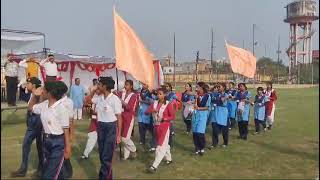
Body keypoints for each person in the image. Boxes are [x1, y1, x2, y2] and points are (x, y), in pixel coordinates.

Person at [28, 80, 71, 179]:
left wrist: (68, 148)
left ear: (50, 93)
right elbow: (30, 108)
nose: (42, 91)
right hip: (46, 141)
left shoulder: (62, 108)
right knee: (56, 172)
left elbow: (66, 130)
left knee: (48, 175)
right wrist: (35, 95)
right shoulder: (44, 105)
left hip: (58, 144)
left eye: (44, 89)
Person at [89, 76, 122, 180]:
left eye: (99, 84)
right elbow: (87, 101)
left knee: (106, 157)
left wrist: (119, 134)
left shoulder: (114, 99)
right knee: (102, 155)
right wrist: (93, 91)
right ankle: (107, 177)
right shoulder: (100, 98)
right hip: (101, 127)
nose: (97, 86)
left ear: (105, 86)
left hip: (110, 128)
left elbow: (119, 117)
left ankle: (104, 177)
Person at [11, 77, 44, 178]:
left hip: (37, 121)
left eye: (28, 83)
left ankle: (40, 170)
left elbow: (34, 107)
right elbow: (22, 95)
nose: (26, 85)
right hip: (32, 122)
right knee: (29, 146)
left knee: (39, 147)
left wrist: (36, 94)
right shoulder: (32, 93)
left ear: (33, 85)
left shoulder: (40, 93)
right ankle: (24, 169)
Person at [145, 87, 174, 173]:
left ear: (165, 95)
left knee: (159, 147)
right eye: (157, 94)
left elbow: (172, 116)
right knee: (165, 145)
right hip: (156, 127)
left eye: (160, 94)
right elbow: (146, 112)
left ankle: (154, 166)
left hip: (165, 127)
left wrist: (164, 119)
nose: (158, 95)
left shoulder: (168, 104)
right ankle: (169, 158)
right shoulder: (154, 103)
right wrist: (152, 111)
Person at [118, 80, 138, 160]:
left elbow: (129, 107)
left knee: (125, 138)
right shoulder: (122, 93)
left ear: (131, 86)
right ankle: (126, 156)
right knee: (123, 137)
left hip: (129, 117)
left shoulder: (134, 95)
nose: (125, 86)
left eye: (127, 85)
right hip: (121, 117)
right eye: (125, 85)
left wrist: (121, 101)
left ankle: (134, 149)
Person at [192, 82, 211, 155]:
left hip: (202, 116)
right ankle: (196, 148)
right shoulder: (197, 96)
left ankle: (202, 147)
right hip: (195, 115)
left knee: (200, 133)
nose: (196, 88)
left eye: (198, 87)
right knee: (195, 133)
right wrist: (194, 101)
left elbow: (207, 107)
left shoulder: (207, 96)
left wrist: (199, 108)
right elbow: (194, 105)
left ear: (202, 88)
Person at [81, 88, 100, 159]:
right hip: (95, 121)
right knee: (92, 137)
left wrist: (94, 113)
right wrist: (93, 91)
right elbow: (87, 101)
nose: (97, 90)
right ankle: (86, 154)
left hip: (103, 122)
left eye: (98, 88)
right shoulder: (96, 98)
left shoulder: (106, 98)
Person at [137, 83, 156, 152]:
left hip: (147, 112)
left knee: (149, 127)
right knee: (140, 126)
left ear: (148, 85)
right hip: (141, 112)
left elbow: (152, 102)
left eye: (145, 84)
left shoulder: (150, 93)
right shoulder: (140, 92)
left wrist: (143, 101)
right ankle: (142, 140)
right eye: (142, 84)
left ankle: (154, 140)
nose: (143, 85)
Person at [60, 92, 74, 179]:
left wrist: (71, 133)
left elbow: (71, 118)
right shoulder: (57, 100)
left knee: (65, 150)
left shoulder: (68, 102)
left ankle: (68, 171)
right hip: (58, 128)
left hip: (65, 128)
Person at [213, 83, 229, 147]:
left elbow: (222, 101)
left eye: (220, 87)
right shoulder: (216, 94)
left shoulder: (225, 94)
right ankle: (214, 143)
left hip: (223, 113)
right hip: (216, 111)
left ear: (224, 88)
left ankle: (225, 142)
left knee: (224, 130)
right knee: (215, 129)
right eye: (218, 87)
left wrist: (223, 96)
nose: (218, 88)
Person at [164, 83, 180, 148]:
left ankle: (170, 143)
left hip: (170, 110)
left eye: (167, 86)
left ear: (170, 87)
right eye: (166, 86)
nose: (166, 88)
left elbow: (178, 100)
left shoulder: (172, 94)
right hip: (164, 110)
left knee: (169, 123)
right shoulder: (164, 93)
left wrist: (175, 104)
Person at [209, 83, 219, 149]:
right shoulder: (210, 94)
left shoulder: (221, 95)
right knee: (214, 128)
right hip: (213, 114)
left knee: (222, 130)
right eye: (215, 88)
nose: (216, 89)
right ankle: (214, 143)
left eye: (218, 88)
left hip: (220, 114)